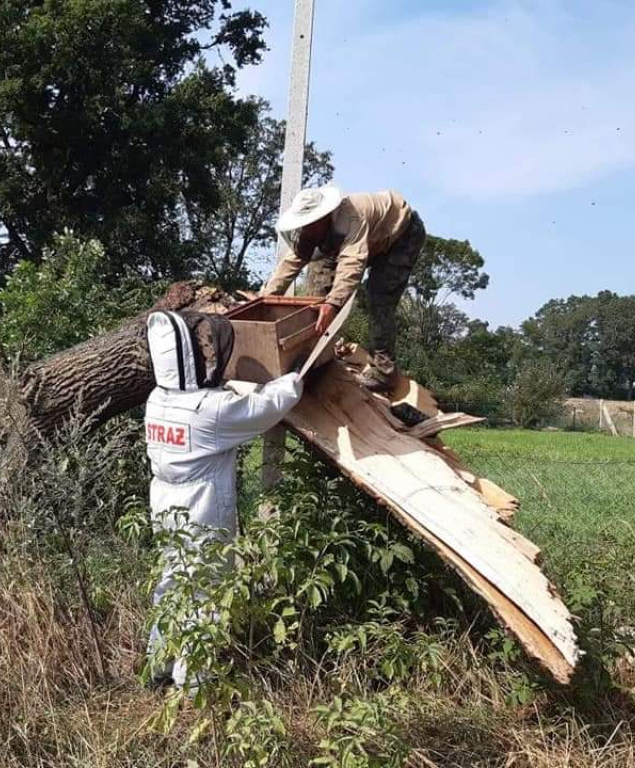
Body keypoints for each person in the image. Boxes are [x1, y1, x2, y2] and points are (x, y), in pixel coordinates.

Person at [144, 309, 303, 689]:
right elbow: (267, 406)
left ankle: (159, 665)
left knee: (171, 580)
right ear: (189, 360)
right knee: (207, 591)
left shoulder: (157, 398)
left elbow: (214, 400)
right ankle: (197, 684)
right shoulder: (210, 411)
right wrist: (297, 374)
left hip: (164, 504)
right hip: (202, 508)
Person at [262, 185, 426, 393]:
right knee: (314, 298)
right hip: (358, 239)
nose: (306, 231)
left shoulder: (352, 219)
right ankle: (314, 362)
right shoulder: (312, 231)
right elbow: (291, 262)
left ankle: (384, 372)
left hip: (399, 234)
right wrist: (264, 299)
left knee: (379, 299)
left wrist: (333, 303)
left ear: (323, 217)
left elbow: (352, 262)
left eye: (310, 226)